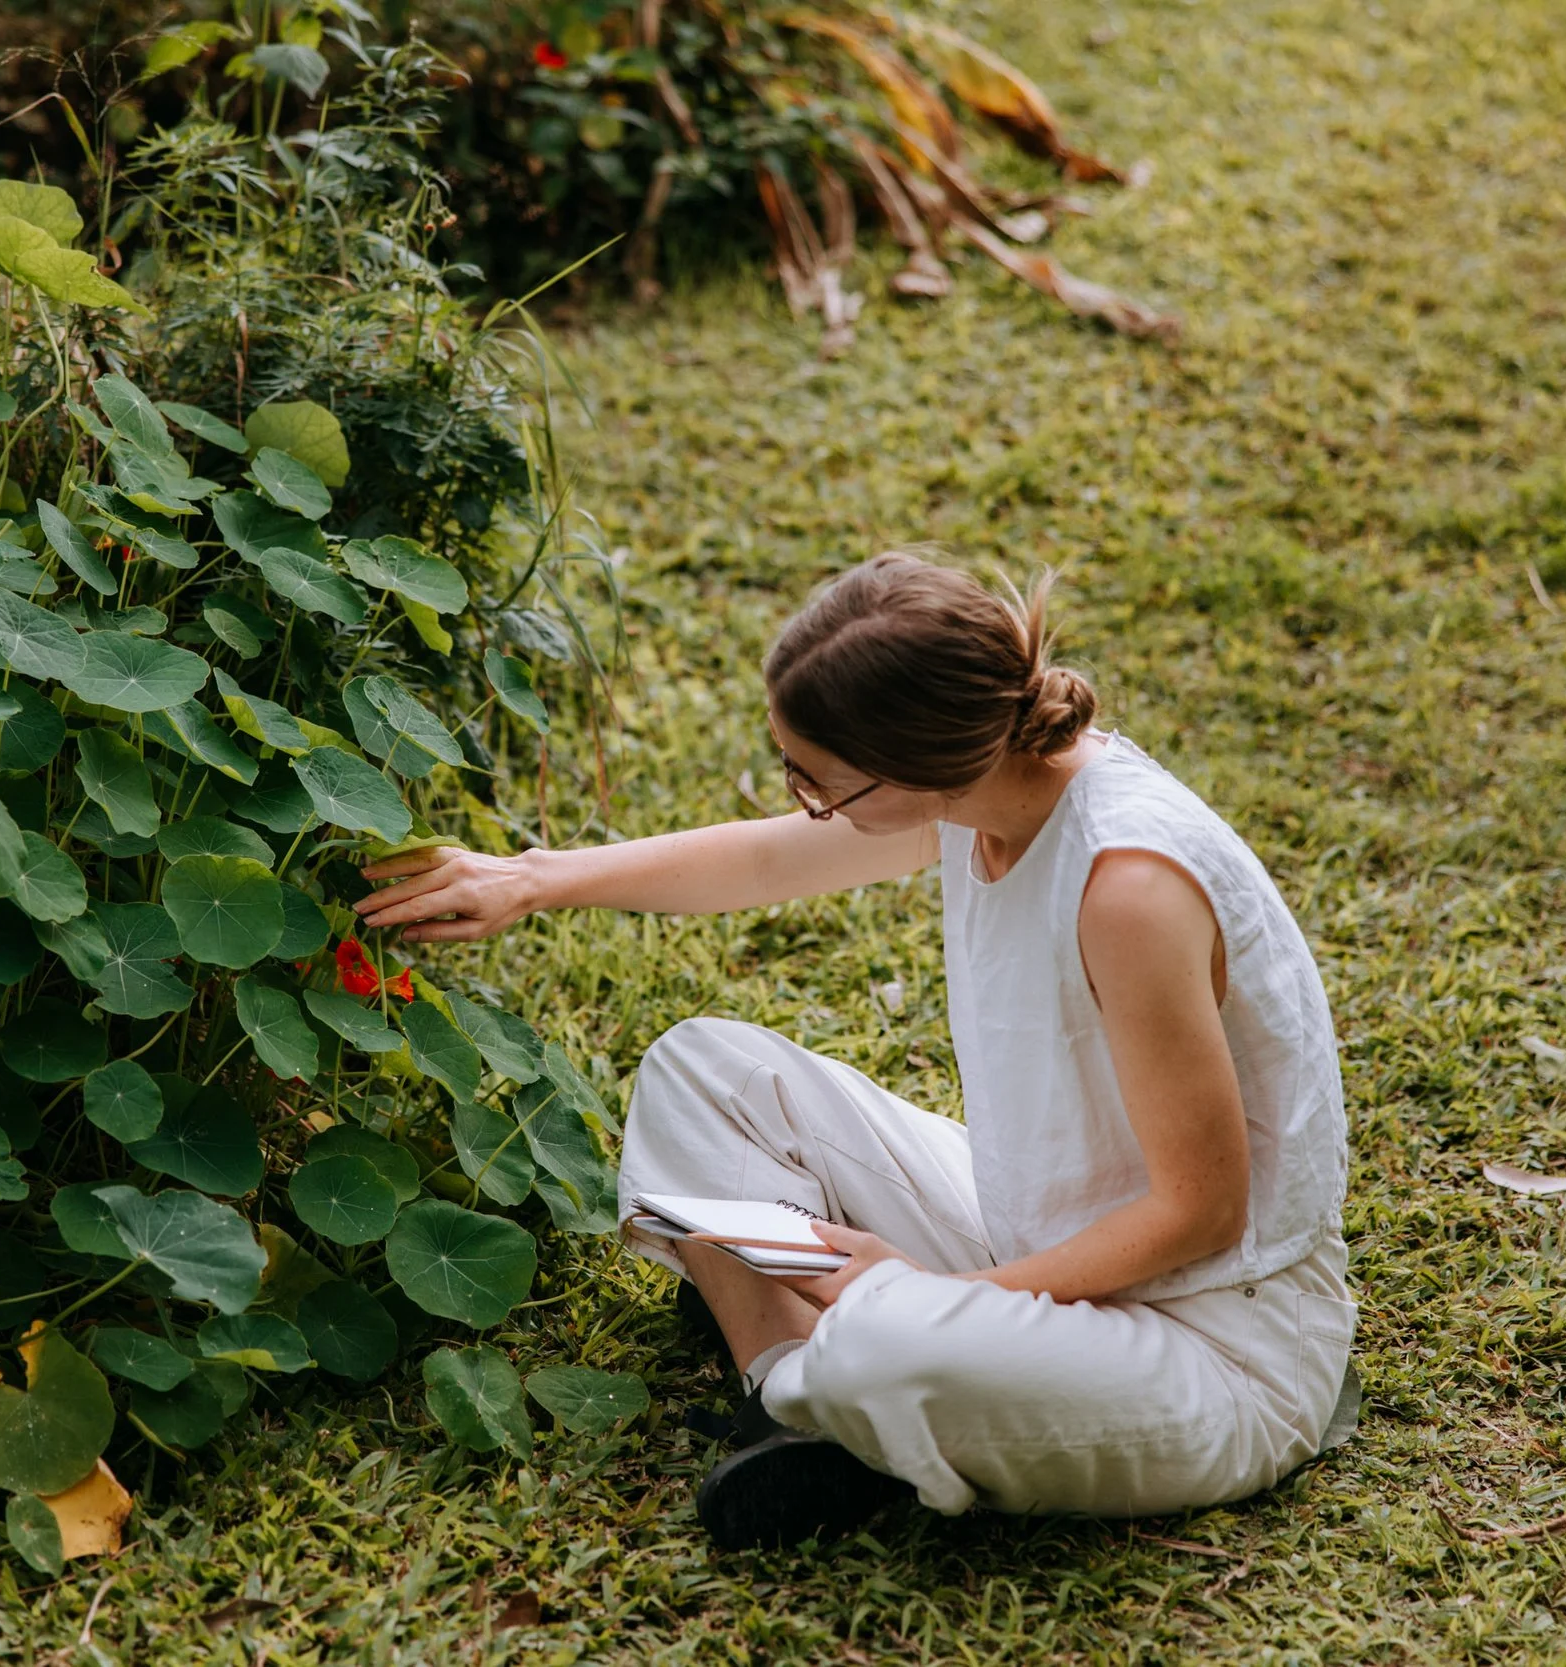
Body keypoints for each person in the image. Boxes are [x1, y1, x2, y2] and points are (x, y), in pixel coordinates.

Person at [354, 552, 1356, 1551]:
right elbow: (759, 855)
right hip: (1031, 1235)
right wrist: (527, 878)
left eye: (818, 782)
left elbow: (1201, 1210)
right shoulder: (985, 790)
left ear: (918, 768)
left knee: (885, 1339)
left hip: (1214, 1341)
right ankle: (793, 1402)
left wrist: (935, 1297)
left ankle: (822, 1378)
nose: (802, 800)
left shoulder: (1126, 884)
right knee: (703, 1068)